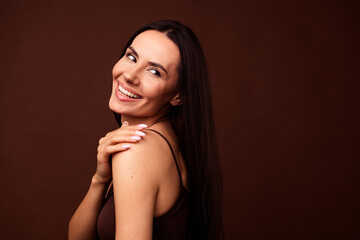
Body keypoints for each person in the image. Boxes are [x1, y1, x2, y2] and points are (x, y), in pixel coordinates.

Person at [68, 20, 223, 240]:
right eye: (132, 57)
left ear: (179, 95)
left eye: (154, 71)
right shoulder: (170, 140)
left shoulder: (136, 148)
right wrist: (100, 180)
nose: (130, 75)